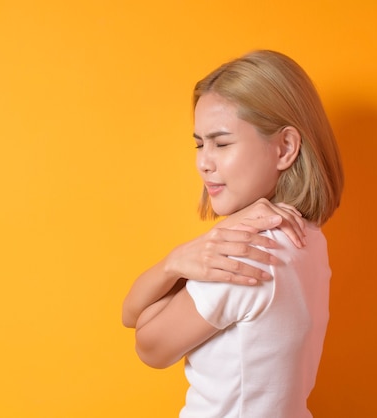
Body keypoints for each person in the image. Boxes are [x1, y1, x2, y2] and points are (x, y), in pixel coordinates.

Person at [122, 50, 343, 417]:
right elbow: (131, 314)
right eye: (199, 143)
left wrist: (180, 262)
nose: (203, 162)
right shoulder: (307, 237)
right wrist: (180, 258)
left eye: (221, 143)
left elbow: (148, 345)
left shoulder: (248, 253)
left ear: (285, 148)